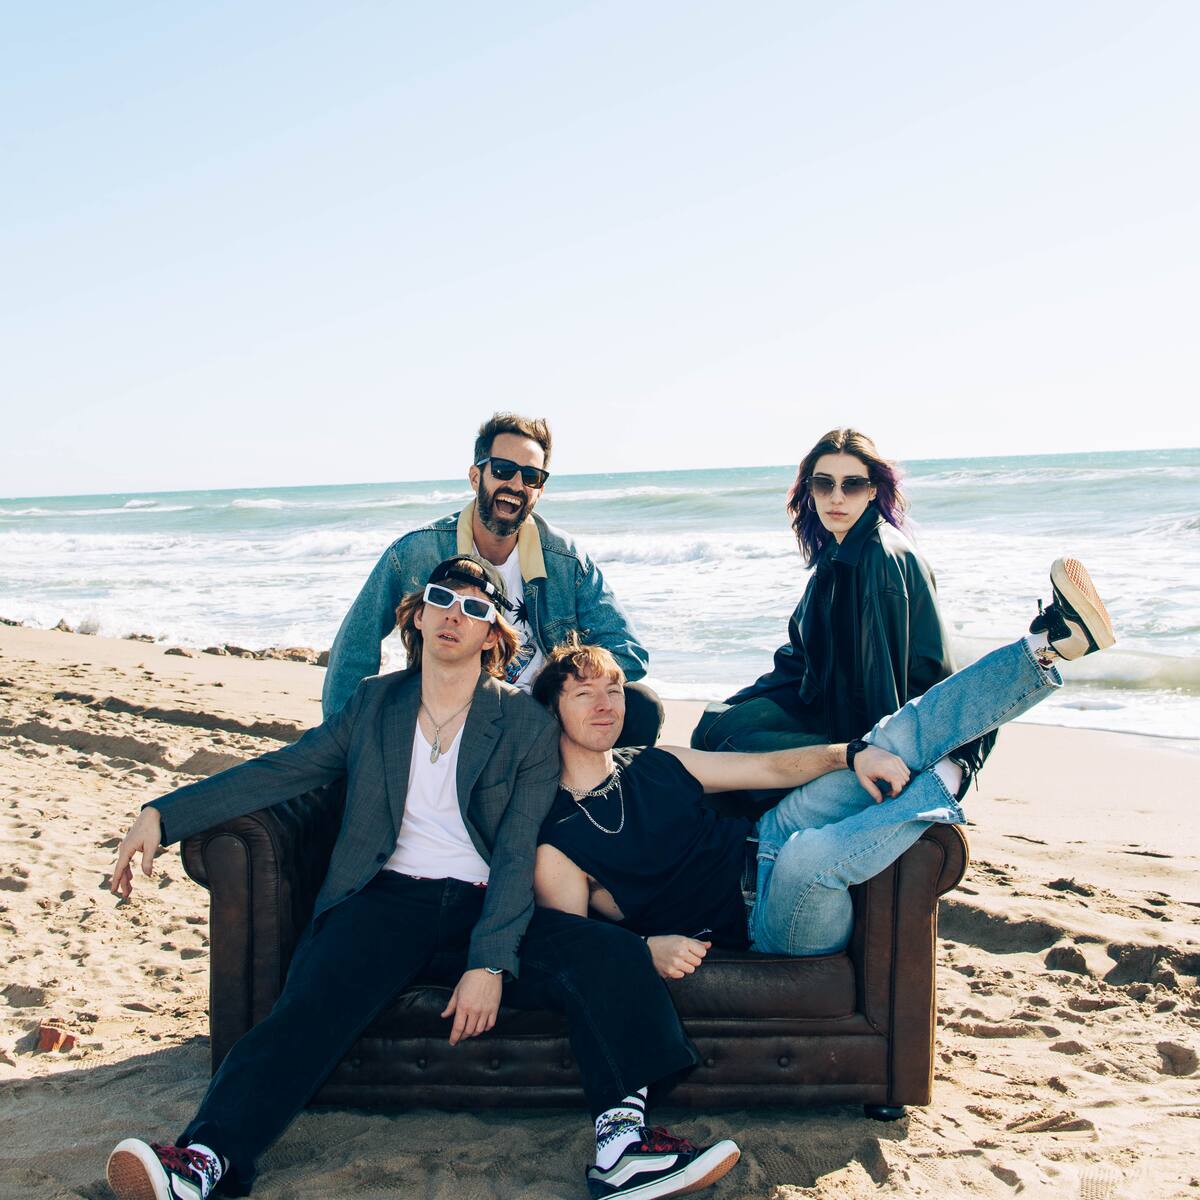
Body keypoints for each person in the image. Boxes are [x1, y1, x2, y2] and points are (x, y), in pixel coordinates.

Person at [104, 555, 739, 1200]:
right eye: (442, 598)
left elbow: (518, 852)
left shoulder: (522, 723)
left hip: (483, 903)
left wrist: (489, 963)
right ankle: (204, 1160)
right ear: (418, 614)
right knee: (311, 1004)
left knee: (611, 955)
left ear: (493, 633)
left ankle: (623, 1150)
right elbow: (284, 771)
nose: (454, 615)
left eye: (474, 607)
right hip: (382, 900)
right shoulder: (374, 705)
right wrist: (164, 813)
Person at [535, 559, 1114, 969]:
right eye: (584, 694)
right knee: (808, 855)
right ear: (552, 713)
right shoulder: (558, 844)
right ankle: (947, 780)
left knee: (885, 741)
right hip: (766, 921)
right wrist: (644, 951)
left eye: (613, 688)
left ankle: (1050, 646)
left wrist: (851, 753)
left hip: (762, 844)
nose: (607, 703)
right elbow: (571, 945)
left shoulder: (654, 764)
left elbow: (770, 771)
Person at [323, 412, 664, 746]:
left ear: (540, 490)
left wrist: (560, 693)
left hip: (548, 717)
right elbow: (355, 646)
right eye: (503, 470)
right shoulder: (416, 551)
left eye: (531, 476)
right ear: (476, 477)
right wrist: (343, 743)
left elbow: (629, 652)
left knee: (643, 707)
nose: (516, 485)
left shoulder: (566, 559)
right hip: (456, 713)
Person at [691, 429, 987, 809]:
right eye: (824, 483)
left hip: (866, 721)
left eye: (852, 485)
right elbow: (807, 653)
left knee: (722, 742)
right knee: (717, 727)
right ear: (810, 490)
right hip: (823, 698)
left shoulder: (879, 558)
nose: (836, 497)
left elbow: (887, 679)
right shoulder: (841, 550)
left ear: (873, 490)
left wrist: (870, 753)